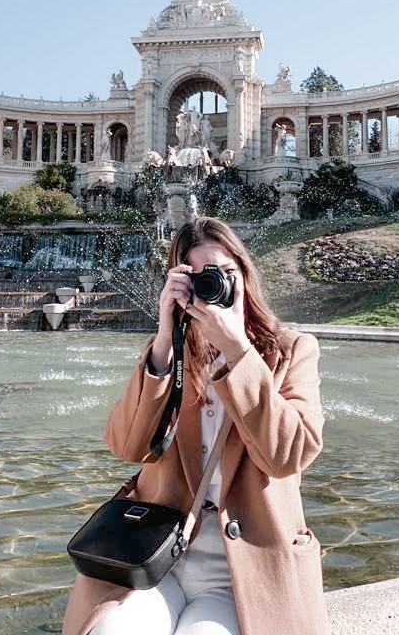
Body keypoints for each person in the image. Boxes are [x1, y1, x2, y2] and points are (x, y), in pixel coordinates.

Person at [62, 217, 330, 635]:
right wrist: (164, 341)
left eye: (223, 274)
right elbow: (127, 445)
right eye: (198, 276)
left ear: (244, 274)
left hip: (242, 568)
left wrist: (238, 349)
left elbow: (289, 455)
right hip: (155, 554)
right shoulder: (169, 354)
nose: (212, 286)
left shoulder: (292, 350)